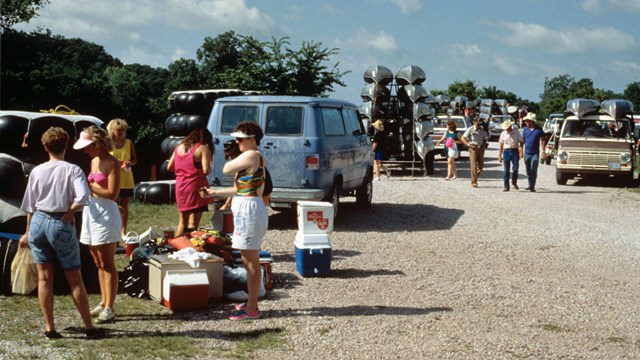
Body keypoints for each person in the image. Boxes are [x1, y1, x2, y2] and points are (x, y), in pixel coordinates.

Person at [19, 127, 105, 339]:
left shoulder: (37, 171)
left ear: (45, 147)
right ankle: (89, 327)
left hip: (39, 221)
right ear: (66, 145)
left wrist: (27, 232)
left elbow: (30, 205)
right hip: (60, 221)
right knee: (75, 278)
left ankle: (50, 327)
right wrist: (70, 212)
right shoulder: (72, 170)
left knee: (44, 278)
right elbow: (83, 197)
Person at [201, 122, 268, 320]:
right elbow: (242, 189)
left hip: (249, 211)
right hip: (247, 208)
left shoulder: (252, 155)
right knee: (248, 260)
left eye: (240, 139)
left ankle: (252, 308)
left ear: (252, 139)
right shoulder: (251, 160)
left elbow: (226, 169)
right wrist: (215, 192)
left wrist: (232, 156)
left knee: (250, 261)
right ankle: (251, 303)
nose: (236, 142)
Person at [73, 126, 122, 324]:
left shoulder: (113, 162)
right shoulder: (93, 161)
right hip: (91, 212)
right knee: (97, 261)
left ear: (98, 143)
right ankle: (103, 301)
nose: (86, 151)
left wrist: (88, 186)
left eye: (88, 147)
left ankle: (110, 306)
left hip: (106, 213)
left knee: (108, 262)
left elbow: (112, 193)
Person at [167, 128, 214, 236]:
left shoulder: (179, 147)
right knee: (193, 223)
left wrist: (183, 171)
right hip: (196, 186)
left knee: (182, 221)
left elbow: (170, 167)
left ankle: (177, 245)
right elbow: (206, 171)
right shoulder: (202, 148)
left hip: (180, 185)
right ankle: (189, 246)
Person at [107, 119, 137, 237]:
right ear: (113, 130)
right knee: (112, 205)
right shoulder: (108, 143)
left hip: (126, 177)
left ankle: (123, 231)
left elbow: (135, 159)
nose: (121, 132)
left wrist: (130, 163)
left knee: (125, 206)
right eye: (119, 130)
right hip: (113, 178)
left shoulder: (129, 142)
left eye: (123, 130)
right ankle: (113, 230)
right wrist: (115, 161)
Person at [521, 113, 547, 192]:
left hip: (535, 153)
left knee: (534, 169)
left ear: (531, 121)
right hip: (527, 153)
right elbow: (522, 141)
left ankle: (532, 186)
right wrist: (520, 151)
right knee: (528, 169)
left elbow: (543, 140)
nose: (525, 122)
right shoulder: (525, 129)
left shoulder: (539, 129)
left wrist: (543, 150)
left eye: (527, 121)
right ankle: (530, 184)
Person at [461, 116, 487, 188]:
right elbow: (463, 138)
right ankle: (474, 181)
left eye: (480, 123)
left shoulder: (482, 129)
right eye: (477, 123)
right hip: (473, 148)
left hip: (481, 148)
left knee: (481, 166)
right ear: (474, 122)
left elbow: (483, 137)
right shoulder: (470, 129)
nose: (479, 125)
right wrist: (468, 144)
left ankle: (474, 177)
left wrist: (484, 144)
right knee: (474, 166)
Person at [498, 120, 524, 192]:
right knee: (506, 170)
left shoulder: (516, 132)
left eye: (507, 127)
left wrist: (521, 151)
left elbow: (521, 141)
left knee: (515, 168)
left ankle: (514, 182)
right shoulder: (503, 133)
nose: (506, 129)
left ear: (510, 126)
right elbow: (501, 144)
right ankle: (506, 186)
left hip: (514, 150)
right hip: (506, 151)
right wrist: (500, 155)